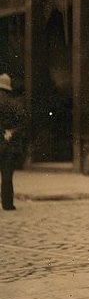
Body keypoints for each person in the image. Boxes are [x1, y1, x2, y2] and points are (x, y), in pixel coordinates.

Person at [0, 74, 27, 211]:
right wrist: (10, 133)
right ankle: (7, 204)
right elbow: (22, 124)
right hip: (9, 145)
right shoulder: (15, 103)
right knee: (7, 175)